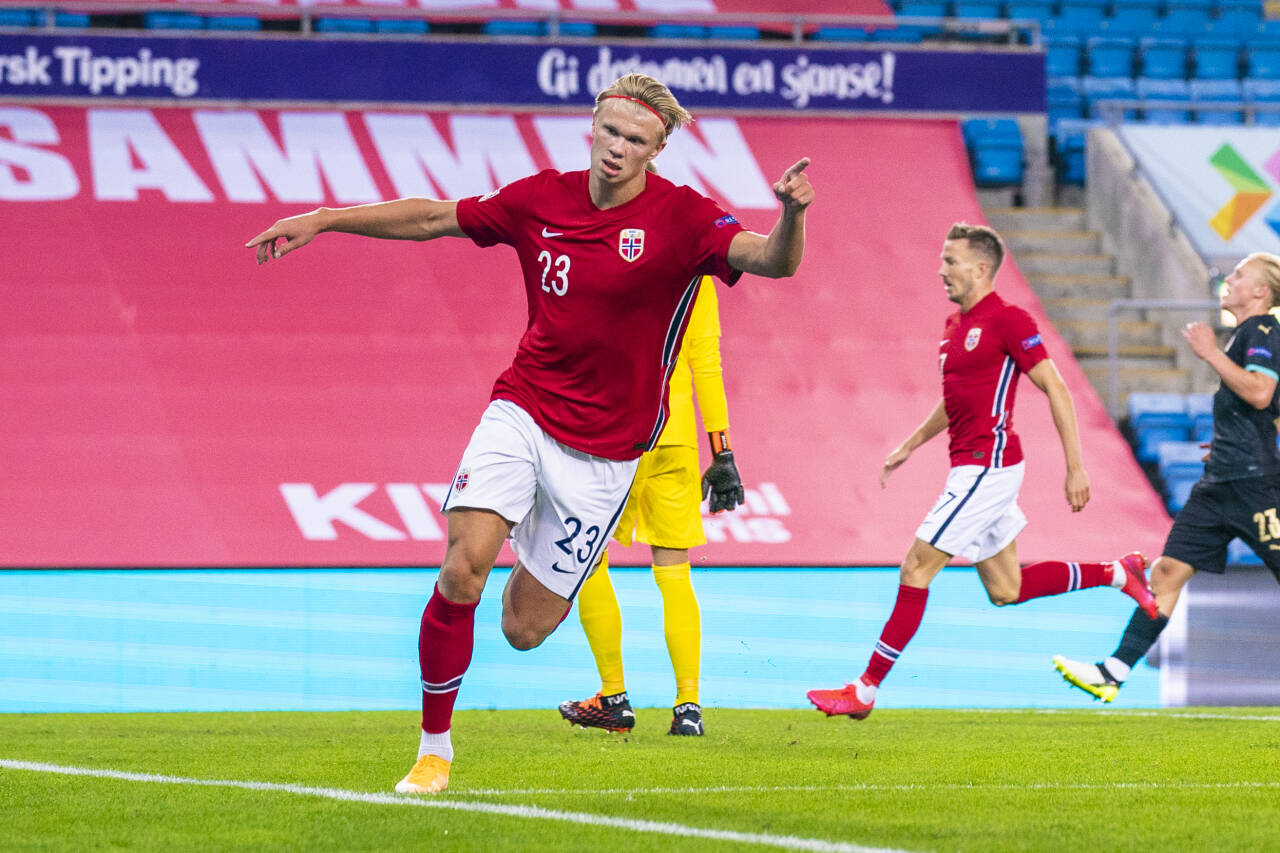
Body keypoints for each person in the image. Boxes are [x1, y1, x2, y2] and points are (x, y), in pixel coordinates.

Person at [246, 73, 813, 792]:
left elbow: (772, 261)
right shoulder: (539, 198)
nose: (617, 149)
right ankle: (434, 749)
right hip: (524, 408)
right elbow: (432, 218)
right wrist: (326, 217)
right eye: (610, 131)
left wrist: (791, 215)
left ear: (657, 149)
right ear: (594, 125)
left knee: (523, 629)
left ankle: (532, 543)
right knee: (460, 567)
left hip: (607, 453)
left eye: (635, 140)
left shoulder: (685, 218)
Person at [806, 222, 1156, 720]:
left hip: (987, 467)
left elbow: (1055, 387)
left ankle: (864, 690)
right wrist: (909, 444)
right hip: (972, 467)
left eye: (951, 260)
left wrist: (1075, 467)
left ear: (982, 267)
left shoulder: (1009, 320)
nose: (941, 269)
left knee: (916, 567)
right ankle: (1119, 572)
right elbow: (955, 402)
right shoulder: (953, 327)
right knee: (1005, 589)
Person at [1054, 252, 1280, 703]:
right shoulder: (1249, 335)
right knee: (1168, 571)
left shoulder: (1263, 331)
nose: (1229, 280)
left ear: (1259, 292)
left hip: (1252, 485)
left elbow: (1260, 393)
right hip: (1220, 483)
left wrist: (1210, 352)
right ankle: (1112, 672)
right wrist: (1233, 439)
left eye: (1238, 275)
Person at [557, 278, 743, 738]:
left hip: (617, 431)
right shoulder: (698, 275)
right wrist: (722, 452)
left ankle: (613, 696)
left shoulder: (626, 254)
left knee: (589, 558)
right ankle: (688, 708)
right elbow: (707, 364)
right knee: (675, 573)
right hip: (675, 439)